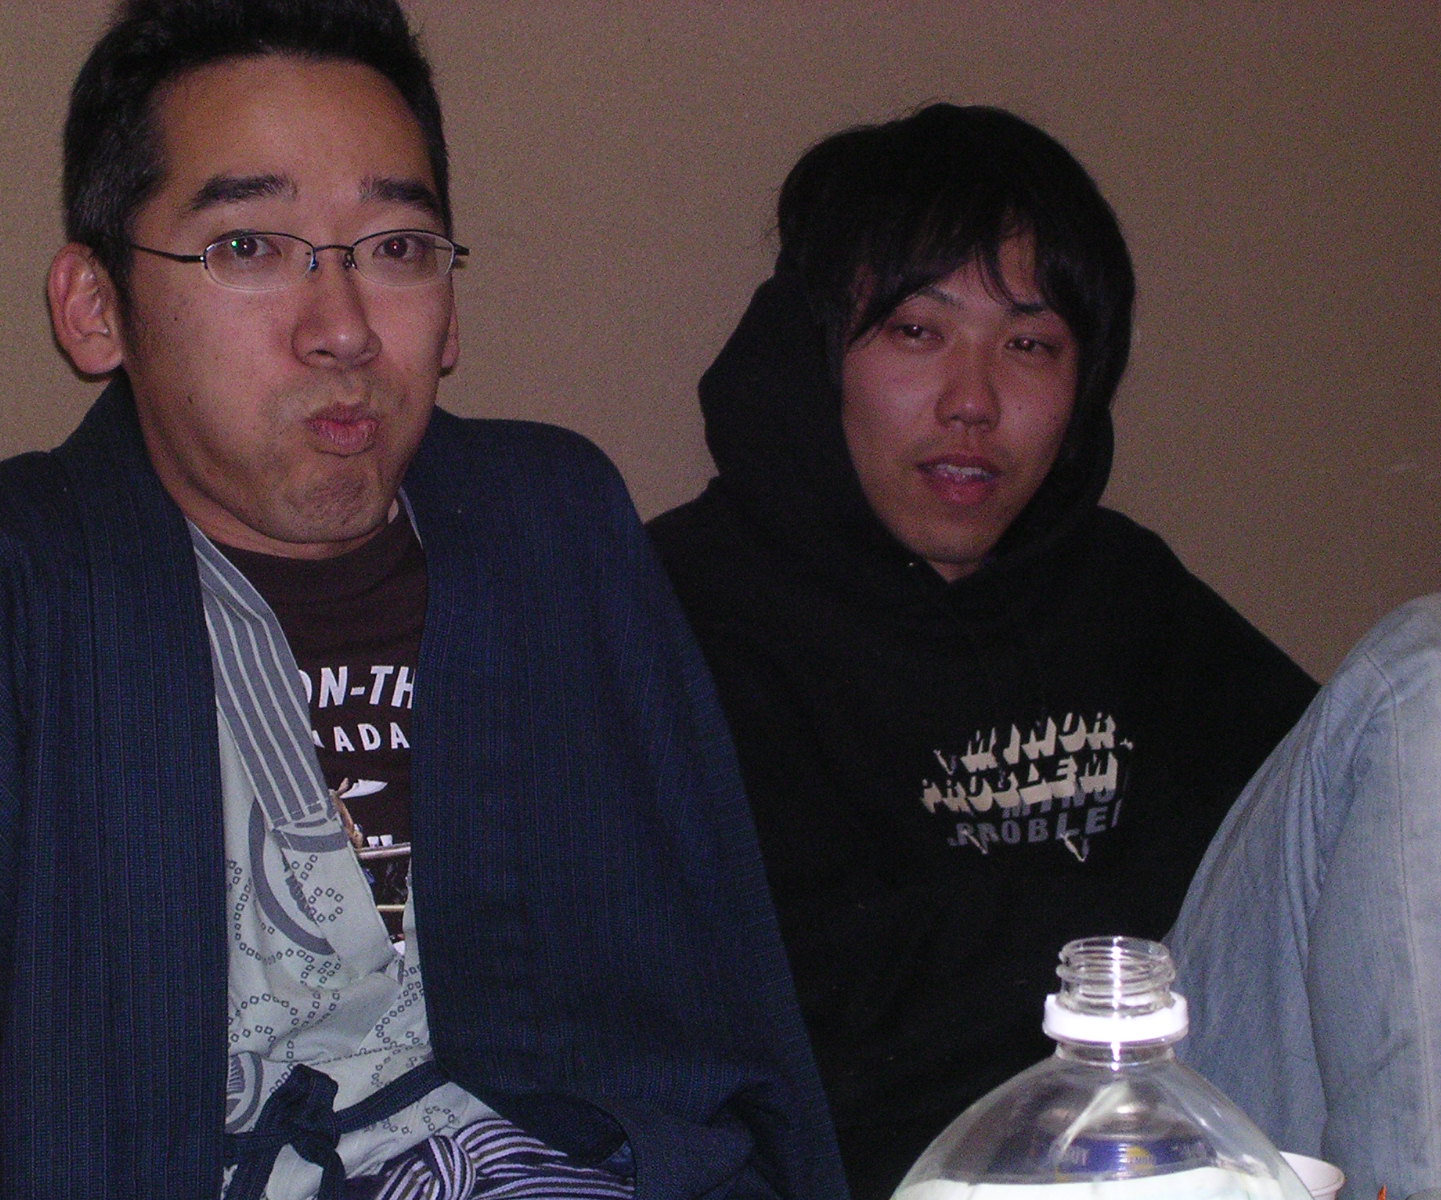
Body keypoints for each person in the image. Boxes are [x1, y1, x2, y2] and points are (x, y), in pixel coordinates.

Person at [647, 103, 1441, 1200]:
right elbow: (801, 1007)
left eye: (1030, 345)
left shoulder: (1118, 585)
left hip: (1199, 1105)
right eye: (916, 331)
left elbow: (1345, 844)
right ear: (817, 350)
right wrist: (1127, 923)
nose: (973, 402)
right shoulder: (678, 611)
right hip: (942, 1160)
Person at [0, 2, 847, 1198]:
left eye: (396, 247)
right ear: (95, 307)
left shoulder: (551, 527)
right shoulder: (31, 592)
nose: (342, 329)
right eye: (249, 246)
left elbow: (723, 1040)